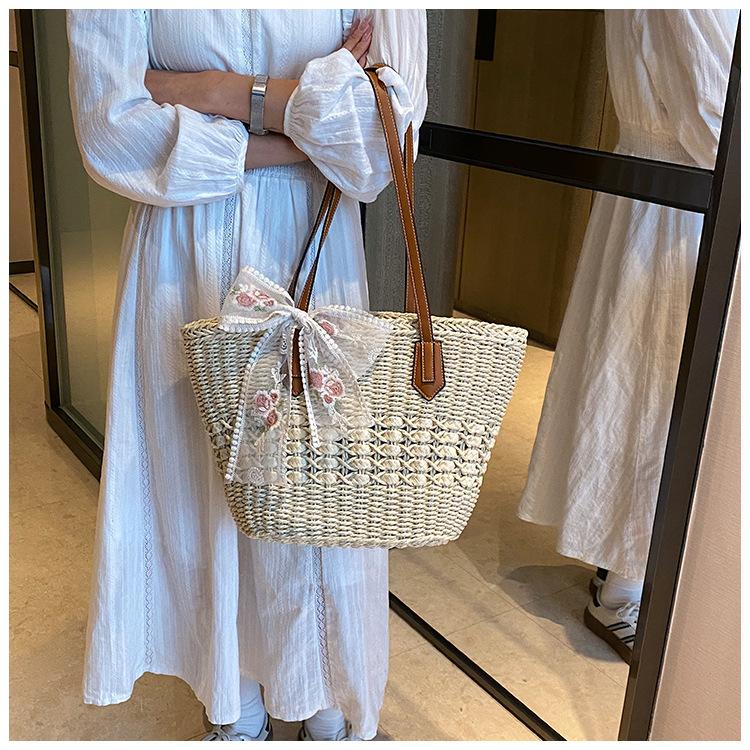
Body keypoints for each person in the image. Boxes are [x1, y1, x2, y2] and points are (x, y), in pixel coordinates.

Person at [66, 9, 427, 740]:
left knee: (318, 495)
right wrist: (300, 123)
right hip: (181, 261)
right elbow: (109, 129)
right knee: (201, 487)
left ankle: (327, 702)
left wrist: (213, 91)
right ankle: (234, 704)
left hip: (313, 254)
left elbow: (380, 141)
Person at [517, 9, 737, 662]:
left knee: (637, 390)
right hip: (684, 201)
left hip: (665, 194)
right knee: (651, 397)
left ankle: (625, 569)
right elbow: (719, 119)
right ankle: (625, 585)